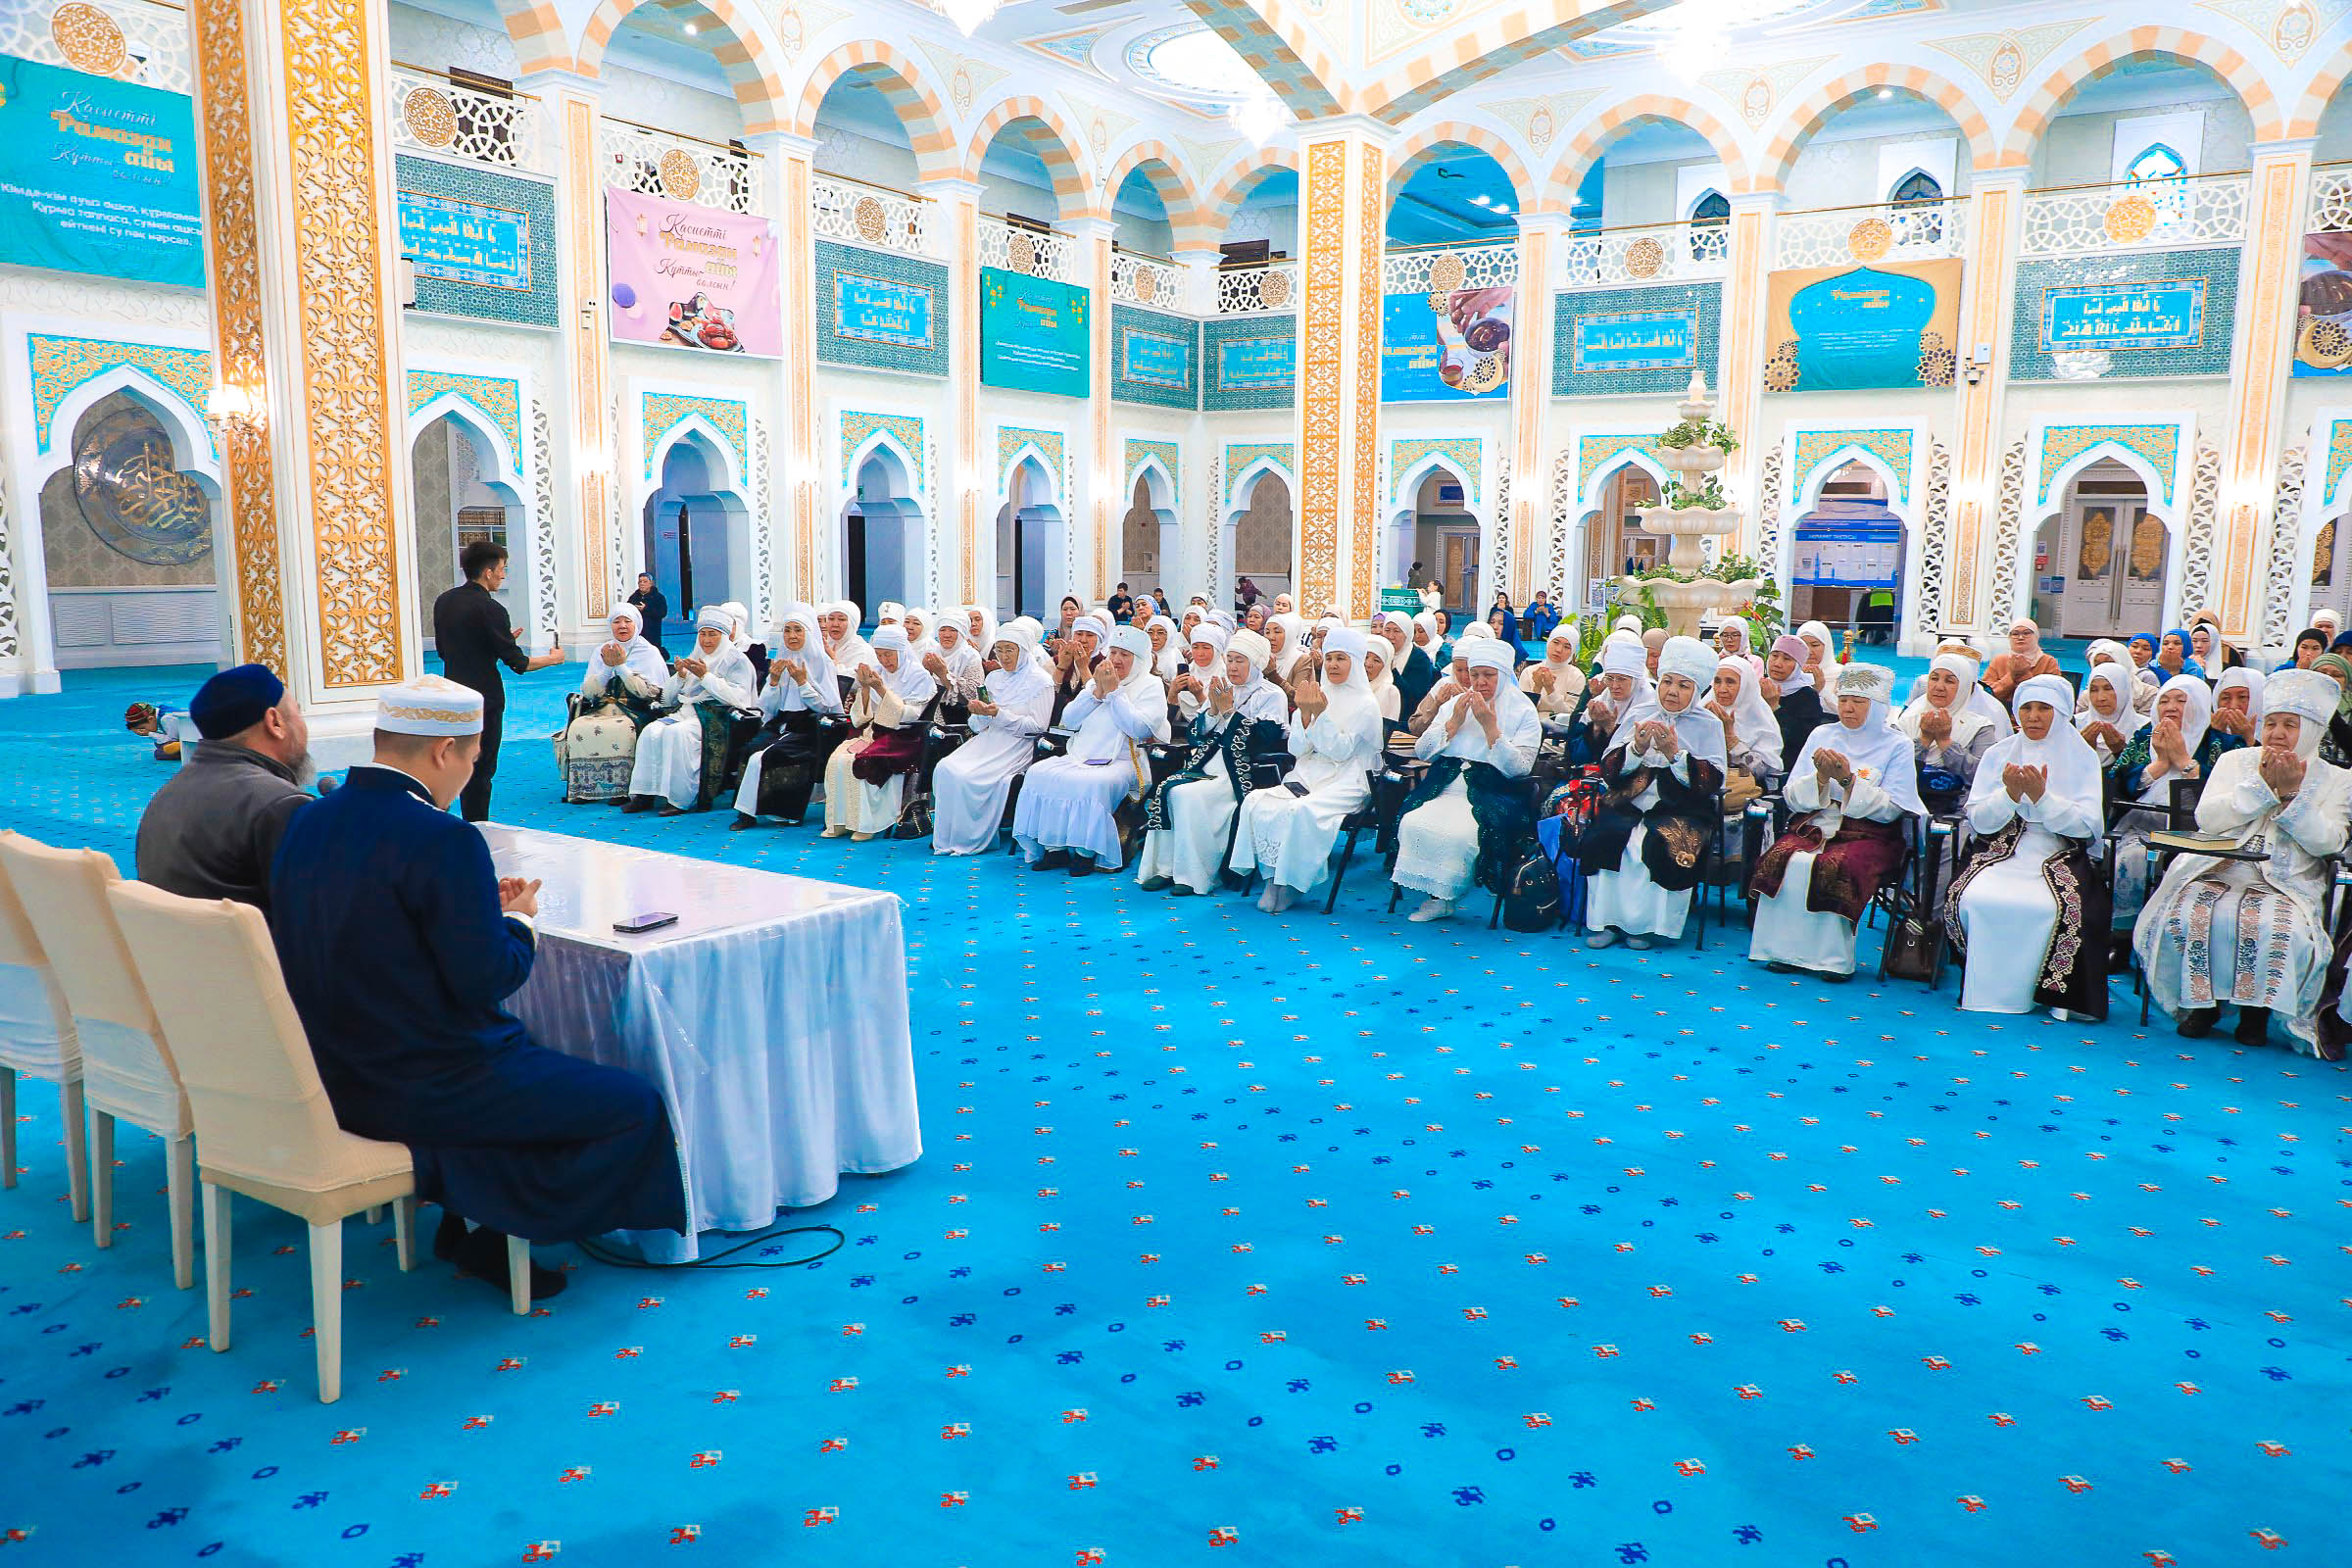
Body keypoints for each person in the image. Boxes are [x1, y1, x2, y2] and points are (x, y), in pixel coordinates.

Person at [268, 676, 684, 1298]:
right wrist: (519, 922)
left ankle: (467, 1211)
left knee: (542, 1068)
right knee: (636, 1107)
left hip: (330, 1070)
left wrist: (472, 910)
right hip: (428, 1079)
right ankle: (492, 1218)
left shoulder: (306, 819)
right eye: (471, 757)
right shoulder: (443, 838)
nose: (468, 773)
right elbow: (486, 980)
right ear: (444, 751)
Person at [2135, 669, 2349, 1048]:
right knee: (2191, 914)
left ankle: (2255, 1012)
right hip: (2215, 868)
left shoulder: (2337, 779)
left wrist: (2291, 798)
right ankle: (2203, 1005)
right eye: (2271, 723)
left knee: (2275, 927)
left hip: (2288, 882)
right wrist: (2262, 789)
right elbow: (2207, 818)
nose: (2277, 733)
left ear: (2314, 730)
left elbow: (2329, 842)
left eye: (2290, 725)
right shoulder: (2235, 761)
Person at [1946, 674, 2110, 1019]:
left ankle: (2040, 993)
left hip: (2059, 853)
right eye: (2026, 708)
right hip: (2001, 851)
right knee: (1976, 898)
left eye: (2043, 709)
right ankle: (1986, 992)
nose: (2033, 717)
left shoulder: (2082, 757)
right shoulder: (1999, 753)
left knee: (2046, 908)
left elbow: (2088, 828)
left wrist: (2043, 799)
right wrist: (2009, 795)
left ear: (2061, 713)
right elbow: (1979, 820)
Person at [1747, 662, 1923, 978]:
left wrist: (1847, 781)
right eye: (1843, 700)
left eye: (1858, 701)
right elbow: (1791, 795)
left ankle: (1832, 960)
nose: (1848, 708)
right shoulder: (1822, 734)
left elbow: (1893, 808)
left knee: (1836, 865)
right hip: (1814, 825)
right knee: (1784, 858)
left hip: (1871, 834)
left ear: (1877, 706)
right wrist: (1819, 778)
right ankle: (1782, 951)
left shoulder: (1897, 744)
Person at [1580, 636, 1729, 950]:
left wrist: (1676, 755)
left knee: (1655, 842)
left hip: (1682, 807)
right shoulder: (1641, 712)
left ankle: (1644, 927)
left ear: (1696, 691)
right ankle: (1607, 921)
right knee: (1608, 833)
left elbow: (1714, 780)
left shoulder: (1709, 724)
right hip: (1629, 801)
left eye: (1683, 685)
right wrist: (1636, 748)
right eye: (1667, 682)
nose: (1672, 691)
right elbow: (1609, 766)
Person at [134, 663, 312, 912]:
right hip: (254, 939)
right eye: (299, 713)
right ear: (275, 722)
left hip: (174, 937)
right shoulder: (281, 805)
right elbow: (320, 914)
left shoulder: (165, 796)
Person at [1229, 628, 1385, 910]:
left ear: (1355, 662)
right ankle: (1272, 879)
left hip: (1348, 780)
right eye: (1329, 658)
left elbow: (1341, 752)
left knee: (1300, 811)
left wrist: (1319, 715)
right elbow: (1297, 749)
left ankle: (1292, 884)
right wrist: (1303, 714)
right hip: (1308, 773)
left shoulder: (1366, 704)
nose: (1333, 665)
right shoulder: (1318, 694)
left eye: (1341, 658)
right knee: (1255, 801)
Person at [1392, 641, 1541, 923]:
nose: (1480, 682)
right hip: (1445, 785)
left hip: (1493, 791)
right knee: (1412, 822)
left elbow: (1520, 769)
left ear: (1503, 675)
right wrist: (1454, 722)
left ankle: (1446, 895)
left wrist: (1490, 728)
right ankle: (1438, 896)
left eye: (1489, 675)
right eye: (1475, 675)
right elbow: (1422, 751)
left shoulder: (1523, 711)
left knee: (1460, 834)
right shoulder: (1454, 705)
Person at [1138, 628, 1289, 897]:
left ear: (1255, 664)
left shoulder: (1271, 694)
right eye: (1229, 660)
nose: (1233, 667)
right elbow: (1196, 735)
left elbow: (1263, 741)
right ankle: (1165, 868)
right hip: (1208, 763)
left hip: (1242, 770)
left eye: (1240, 661)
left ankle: (1193, 874)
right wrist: (1214, 710)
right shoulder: (1222, 687)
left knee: (1188, 796)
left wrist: (1229, 712)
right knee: (1168, 790)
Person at [1013, 625, 1170, 873]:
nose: (1116, 659)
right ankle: (1054, 848)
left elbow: (1139, 729)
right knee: (1038, 773)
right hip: (1081, 755)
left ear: (1139, 661)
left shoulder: (1150, 685)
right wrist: (1096, 692)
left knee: (1092, 784)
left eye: (1125, 655)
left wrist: (1114, 692)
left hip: (1125, 760)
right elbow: (1069, 721)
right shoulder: (1097, 681)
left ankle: (1085, 853)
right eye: (1113, 652)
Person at [431, 541, 564, 822]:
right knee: (480, 768)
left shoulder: (444, 601)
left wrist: (498, 642)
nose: (504, 575)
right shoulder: (491, 609)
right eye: (502, 569)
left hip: (451, 693)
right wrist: (553, 659)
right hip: (484, 698)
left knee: (450, 761)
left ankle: (440, 820)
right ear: (488, 572)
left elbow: (447, 650)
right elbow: (519, 663)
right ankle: (477, 825)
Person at [931, 625, 1055, 855]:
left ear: (1023, 650)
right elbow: (979, 726)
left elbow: (1037, 728)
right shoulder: (994, 678)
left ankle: (969, 836)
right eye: (999, 650)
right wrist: (979, 713)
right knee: (945, 768)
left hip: (1017, 745)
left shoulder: (1041, 681)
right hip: (987, 741)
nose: (1004, 657)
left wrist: (999, 714)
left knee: (968, 777)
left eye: (1010, 650)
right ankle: (949, 835)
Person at [622, 607, 757, 815]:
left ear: (723, 636)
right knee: (651, 732)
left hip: (717, 717)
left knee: (678, 733)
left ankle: (680, 799)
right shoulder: (696, 655)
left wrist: (706, 677)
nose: (706, 640)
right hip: (687, 712)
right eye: (703, 634)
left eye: (712, 634)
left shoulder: (737, 660)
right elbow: (668, 699)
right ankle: (644, 795)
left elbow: (737, 699)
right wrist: (681, 676)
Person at [820, 624, 940, 842]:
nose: (884, 660)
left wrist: (881, 689)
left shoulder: (918, 676)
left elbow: (910, 716)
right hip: (873, 732)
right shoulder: (878, 671)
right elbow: (861, 716)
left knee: (861, 761)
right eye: (879, 654)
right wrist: (866, 688)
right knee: (838, 760)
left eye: (888, 654)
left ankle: (867, 823)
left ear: (901, 652)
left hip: (904, 736)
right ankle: (841, 821)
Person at [730, 609, 844, 828]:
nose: (792, 636)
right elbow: (767, 708)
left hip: (809, 728)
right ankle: (746, 812)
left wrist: (803, 683)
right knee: (750, 750)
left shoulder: (823, 663)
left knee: (768, 755)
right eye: (787, 630)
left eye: (798, 630)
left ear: (808, 633)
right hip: (781, 724)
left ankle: (774, 812)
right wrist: (773, 682)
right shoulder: (781, 661)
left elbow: (827, 707)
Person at [555, 605, 670, 803]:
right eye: (617, 622)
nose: (622, 626)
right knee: (579, 727)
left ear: (637, 624)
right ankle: (586, 787)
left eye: (627, 621)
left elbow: (651, 693)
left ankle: (621, 789)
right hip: (603, 708)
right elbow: (589, 692)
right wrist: (608, 668)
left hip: (635, 710)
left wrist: (621, 667)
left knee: (620, 730)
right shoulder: (601, 651)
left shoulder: (649, 652)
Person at [1896, 651, 1998, 810]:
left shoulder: (1980, 727)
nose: (1939, 687)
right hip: (1903, 806)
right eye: (1934, 678)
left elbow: (1984, 775)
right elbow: (1893, 771)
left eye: (1950, 681)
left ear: (1964, 687)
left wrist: (1945, 743)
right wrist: (1924, 740)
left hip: (1959, 810)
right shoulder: (1906, 722)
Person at [1759, 633, 1829, 771]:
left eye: (1787, 659)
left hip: (1788, 767)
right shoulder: (1759, 686)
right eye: (1774, 656)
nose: (1777, 664)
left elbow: (1800, 739)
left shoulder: (1807, 696)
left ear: (1798, 666)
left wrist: (1774, 707)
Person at [2075, 662, 2148, 766]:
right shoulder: (2075, 724)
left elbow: (2142, 773)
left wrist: (2120, 751)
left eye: (2108, 689)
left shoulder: (2145, 728)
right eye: (2094, 690)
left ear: (2123, 690)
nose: (2100, 698)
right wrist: (2082, 749)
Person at [1982, 617, 2058, 703]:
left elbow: (2053, 693)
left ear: (2036, 636)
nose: (2020, 637)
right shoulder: (1999, 661)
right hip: (2001, 708)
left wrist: (2024, 674)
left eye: (2026, 633)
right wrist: (2012, 675)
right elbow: (1986, 692)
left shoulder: (2048, 661)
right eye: (2015, 634)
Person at [1517, 623, 1585, 716]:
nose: (1559, 650)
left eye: (1567, 647)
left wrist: (1550, 689)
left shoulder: (1576, 676)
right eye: (1556, 642)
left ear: (1572, 651)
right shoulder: (1529, 672)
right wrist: (1537, 687)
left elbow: (1571, 715)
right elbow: (1522, 711)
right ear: (1548, 642)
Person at [1387, 612, 1438, 716]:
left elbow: (1414, 697)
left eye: (1396, 631)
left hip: (1405, 719)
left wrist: (1392, 670)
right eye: (1387, 630)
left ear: (1408, 633)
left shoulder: (1419, 659)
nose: (1390, 636)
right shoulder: (1379, 654)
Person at [627, 571, 669, 655]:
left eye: (645, 581)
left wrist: (646, 609)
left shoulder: (659, 597)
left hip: (652, 631)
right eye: (640, 581)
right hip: (638, 631)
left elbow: (662, 613)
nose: (642, 584)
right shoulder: (634, 597)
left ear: (651, 583)